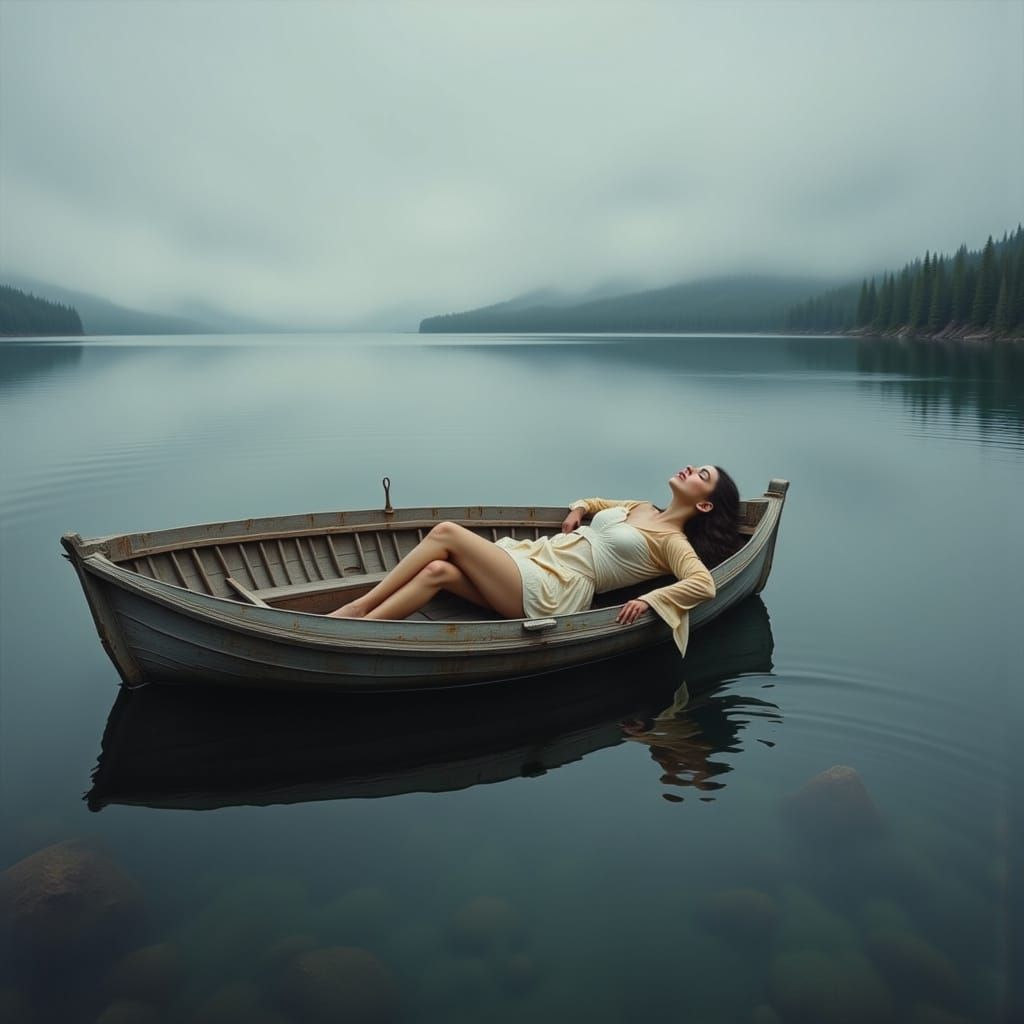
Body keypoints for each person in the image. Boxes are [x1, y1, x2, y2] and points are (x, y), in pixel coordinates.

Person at [328, 464, 740, 655]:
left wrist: (652, 600)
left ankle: (356, 609)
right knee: (438, 571)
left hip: (555, 589)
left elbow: (703, 584)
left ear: (704, 507)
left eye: (702, 476)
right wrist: (579, 510)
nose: (690, 469)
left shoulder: (672, 542)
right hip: (537, 560)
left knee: (447, 532)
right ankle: (365, 631)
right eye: (695, 466)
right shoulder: (640, 506)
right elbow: (596, 501)